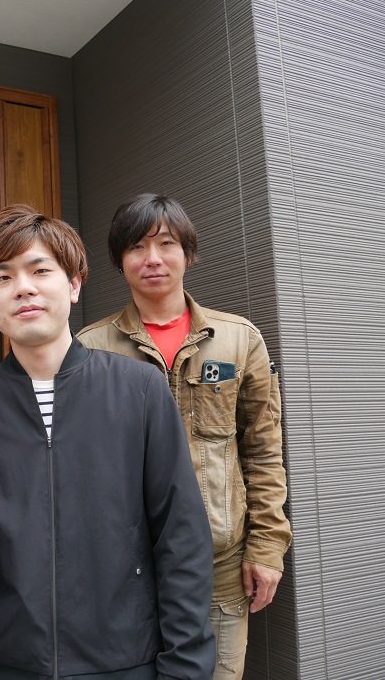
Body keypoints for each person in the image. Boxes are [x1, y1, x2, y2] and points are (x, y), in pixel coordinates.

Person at [0, 204, 216, 680]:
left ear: (74, 284)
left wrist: (185, 668)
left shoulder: (139, 389)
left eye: (40, 270)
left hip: (123, 661)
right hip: (1, 664)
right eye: (3, 277)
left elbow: (182, 537)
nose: (23, 287)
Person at [76, 194, 291, 680]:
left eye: (166, 244)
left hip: (221, 563)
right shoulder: (89, 349)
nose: (152, 259)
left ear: (188, 254)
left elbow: (263, 451)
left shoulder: (239, 339)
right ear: (119, 261)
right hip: (126, 567)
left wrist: (267, 547)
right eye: (136, 247)